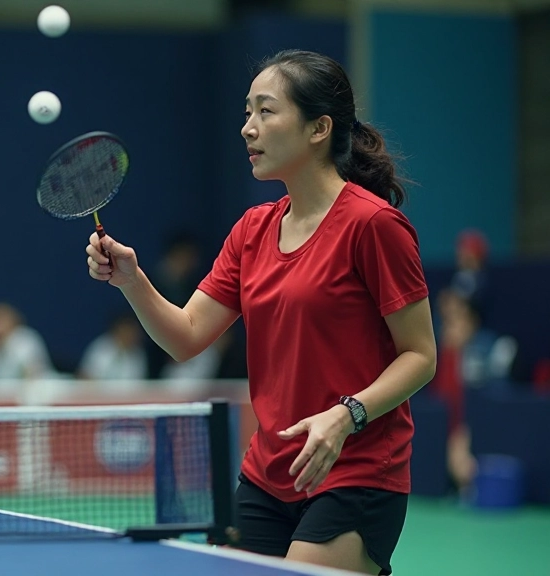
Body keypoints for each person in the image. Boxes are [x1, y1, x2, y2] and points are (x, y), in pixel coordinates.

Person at [84, 49, 437, 575]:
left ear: (319, 128)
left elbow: (421, 355)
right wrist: (131, 280)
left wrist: (346, 415)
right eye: (247, 112)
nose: (248, 128)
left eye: (266, 111)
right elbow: (186, 336)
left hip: (355, 470)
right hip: (268, 474)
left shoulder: (373, 226)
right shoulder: (252, 230)